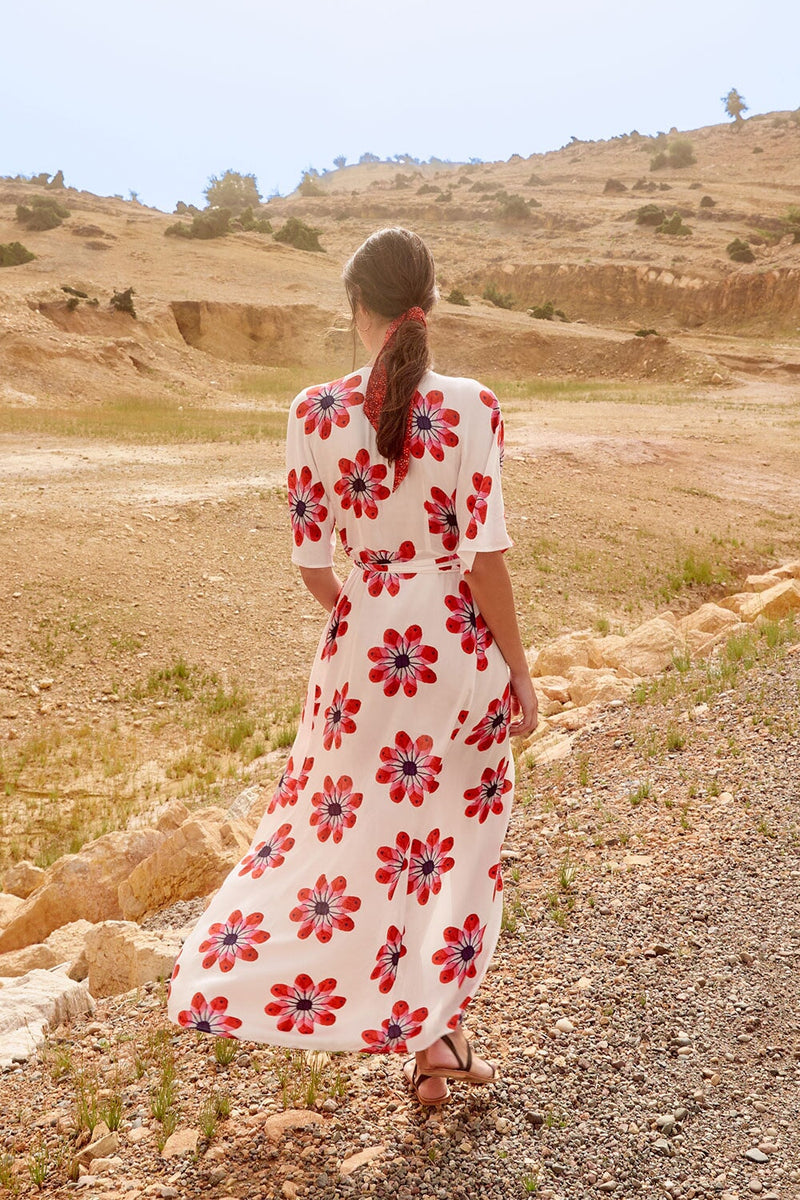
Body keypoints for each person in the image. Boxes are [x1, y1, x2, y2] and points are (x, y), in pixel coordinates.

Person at [165, 226, 538, 1107]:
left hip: (359, 661)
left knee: (345, 841)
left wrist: (371, 611)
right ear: (430, 303)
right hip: (453, 656)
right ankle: (437, 1033)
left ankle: (281, 982)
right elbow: (484, 559)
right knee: (448, 849)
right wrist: (518, 668)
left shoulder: (310, 413)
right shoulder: (474, 406)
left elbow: (309, 565)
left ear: (354, 308)